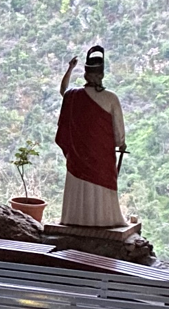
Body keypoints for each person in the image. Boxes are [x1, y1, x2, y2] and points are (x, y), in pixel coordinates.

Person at [54, 44, 127, 227]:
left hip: (78, 158)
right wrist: (121, 143)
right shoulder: (111, 98)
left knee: (78, 192)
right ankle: (104, 221)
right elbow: (119, 136)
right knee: (102, 193)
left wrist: (70, 69)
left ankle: (75, 219)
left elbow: (63, 91)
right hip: (102, 159)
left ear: (86, 74)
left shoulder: (74, 96)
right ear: (101, 75)